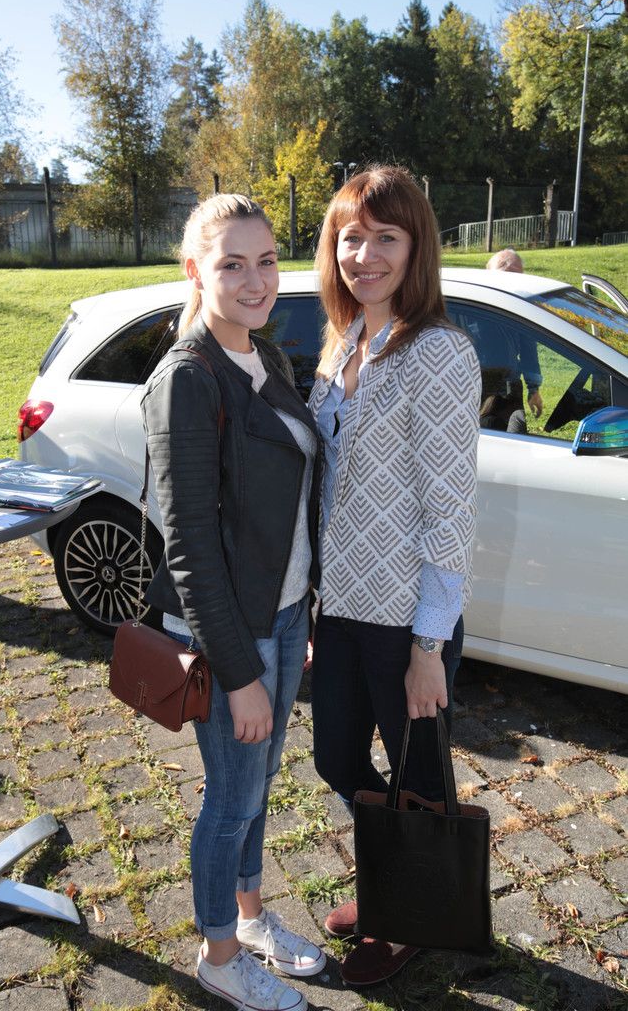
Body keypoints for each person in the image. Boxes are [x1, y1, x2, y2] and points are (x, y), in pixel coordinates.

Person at [141, 194, 325, 1011]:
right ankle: (219, 957)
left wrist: (300, 617)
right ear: (195, 272)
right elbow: (188, 548)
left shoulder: (267, 357)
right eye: (231, 264)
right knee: (229, 801)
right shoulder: (187, 380)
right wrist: (239, 669)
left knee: (259, 780)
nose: (254, 280)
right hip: (229, 633)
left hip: (282, 617)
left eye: (265, 261)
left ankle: (250, 920)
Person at [308, 166, 481, 987]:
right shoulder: (342, 343)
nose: (364, 253)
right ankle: (393, 874)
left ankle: (412, 914)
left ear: (415, 249)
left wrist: (427, 644)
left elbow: (449, 510)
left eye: (385, 237)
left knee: (417, 782)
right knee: (337, 760)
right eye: (350, 235)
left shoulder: (438, 353)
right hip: (338, 607)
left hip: (404, 617)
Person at [481, 248, 543, 430]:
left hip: (509, 390)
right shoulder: (473, 302)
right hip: (475, 390)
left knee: (515, 443)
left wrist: (534, 389)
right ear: (489, 273)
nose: (512, 282)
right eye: (507, 274)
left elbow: (528, 349)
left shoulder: (517, 306)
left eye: (517, 276)